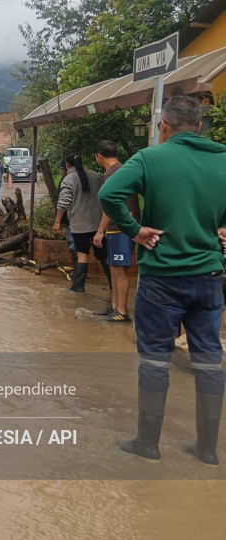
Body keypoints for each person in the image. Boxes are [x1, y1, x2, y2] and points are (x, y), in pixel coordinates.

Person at [99, 95, 226, 465]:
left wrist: (135, 231)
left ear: (164, 127)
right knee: (208, 359)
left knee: (155, 360)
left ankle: (148, 444)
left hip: (162, 278)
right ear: (200, 126)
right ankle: (207, 450)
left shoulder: (149, 158)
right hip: (209, 277)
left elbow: (110, 194)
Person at [92, 140, 141, 322]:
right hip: (118, 228)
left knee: (120, 270)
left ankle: (122, 311)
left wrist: (100, 230)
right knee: (114, 267)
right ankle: (114, 306)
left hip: (122, 227)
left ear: (99, 155)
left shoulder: (113, 174)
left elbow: (110, 205)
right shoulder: (121, 170)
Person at [52, 154, 107, 293]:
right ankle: (114, 286)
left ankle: (78, 287)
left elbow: (63, 203)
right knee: (103, 255)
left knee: (82, 254)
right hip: (98, 223)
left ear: (67, 165)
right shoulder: (96, 176)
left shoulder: (68, 179)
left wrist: (57, 221)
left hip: (79, 225)